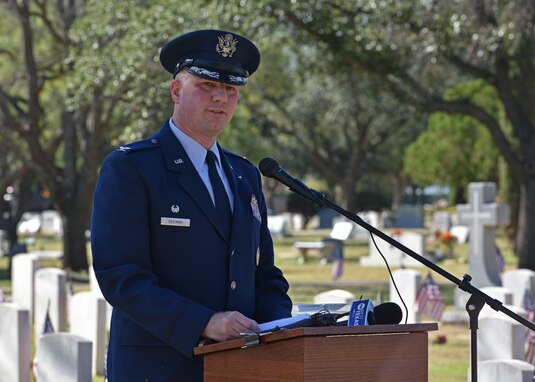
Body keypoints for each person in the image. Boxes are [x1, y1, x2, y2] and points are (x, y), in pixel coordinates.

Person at [91, 29, 293, 381]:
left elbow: (264, 274)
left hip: (238, 367)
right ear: (176, 91)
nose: (220, 98)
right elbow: (121, 276)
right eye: (206, 85)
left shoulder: (245, 174)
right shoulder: (132, 167)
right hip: (159, 367)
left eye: (230, 90)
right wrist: (204, 322)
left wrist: (280, 327)